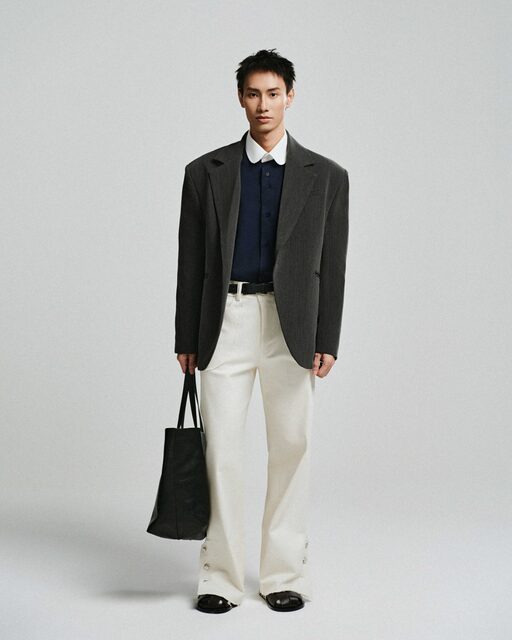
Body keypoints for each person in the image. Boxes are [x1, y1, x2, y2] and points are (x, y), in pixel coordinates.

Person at [174, 48, 350, 613]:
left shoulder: (327, 177)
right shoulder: (205, 172)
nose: (264, 104)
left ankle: (283, 575)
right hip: (224, 319)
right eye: (253, 94)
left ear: (290, 96)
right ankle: (220, 578)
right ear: (240, 99)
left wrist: (327, 338)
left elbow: (334, 265)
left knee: (292, 446)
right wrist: (186, 338)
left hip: (290, 325)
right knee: (221, 449)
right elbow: (190, 261)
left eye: (274, 93)